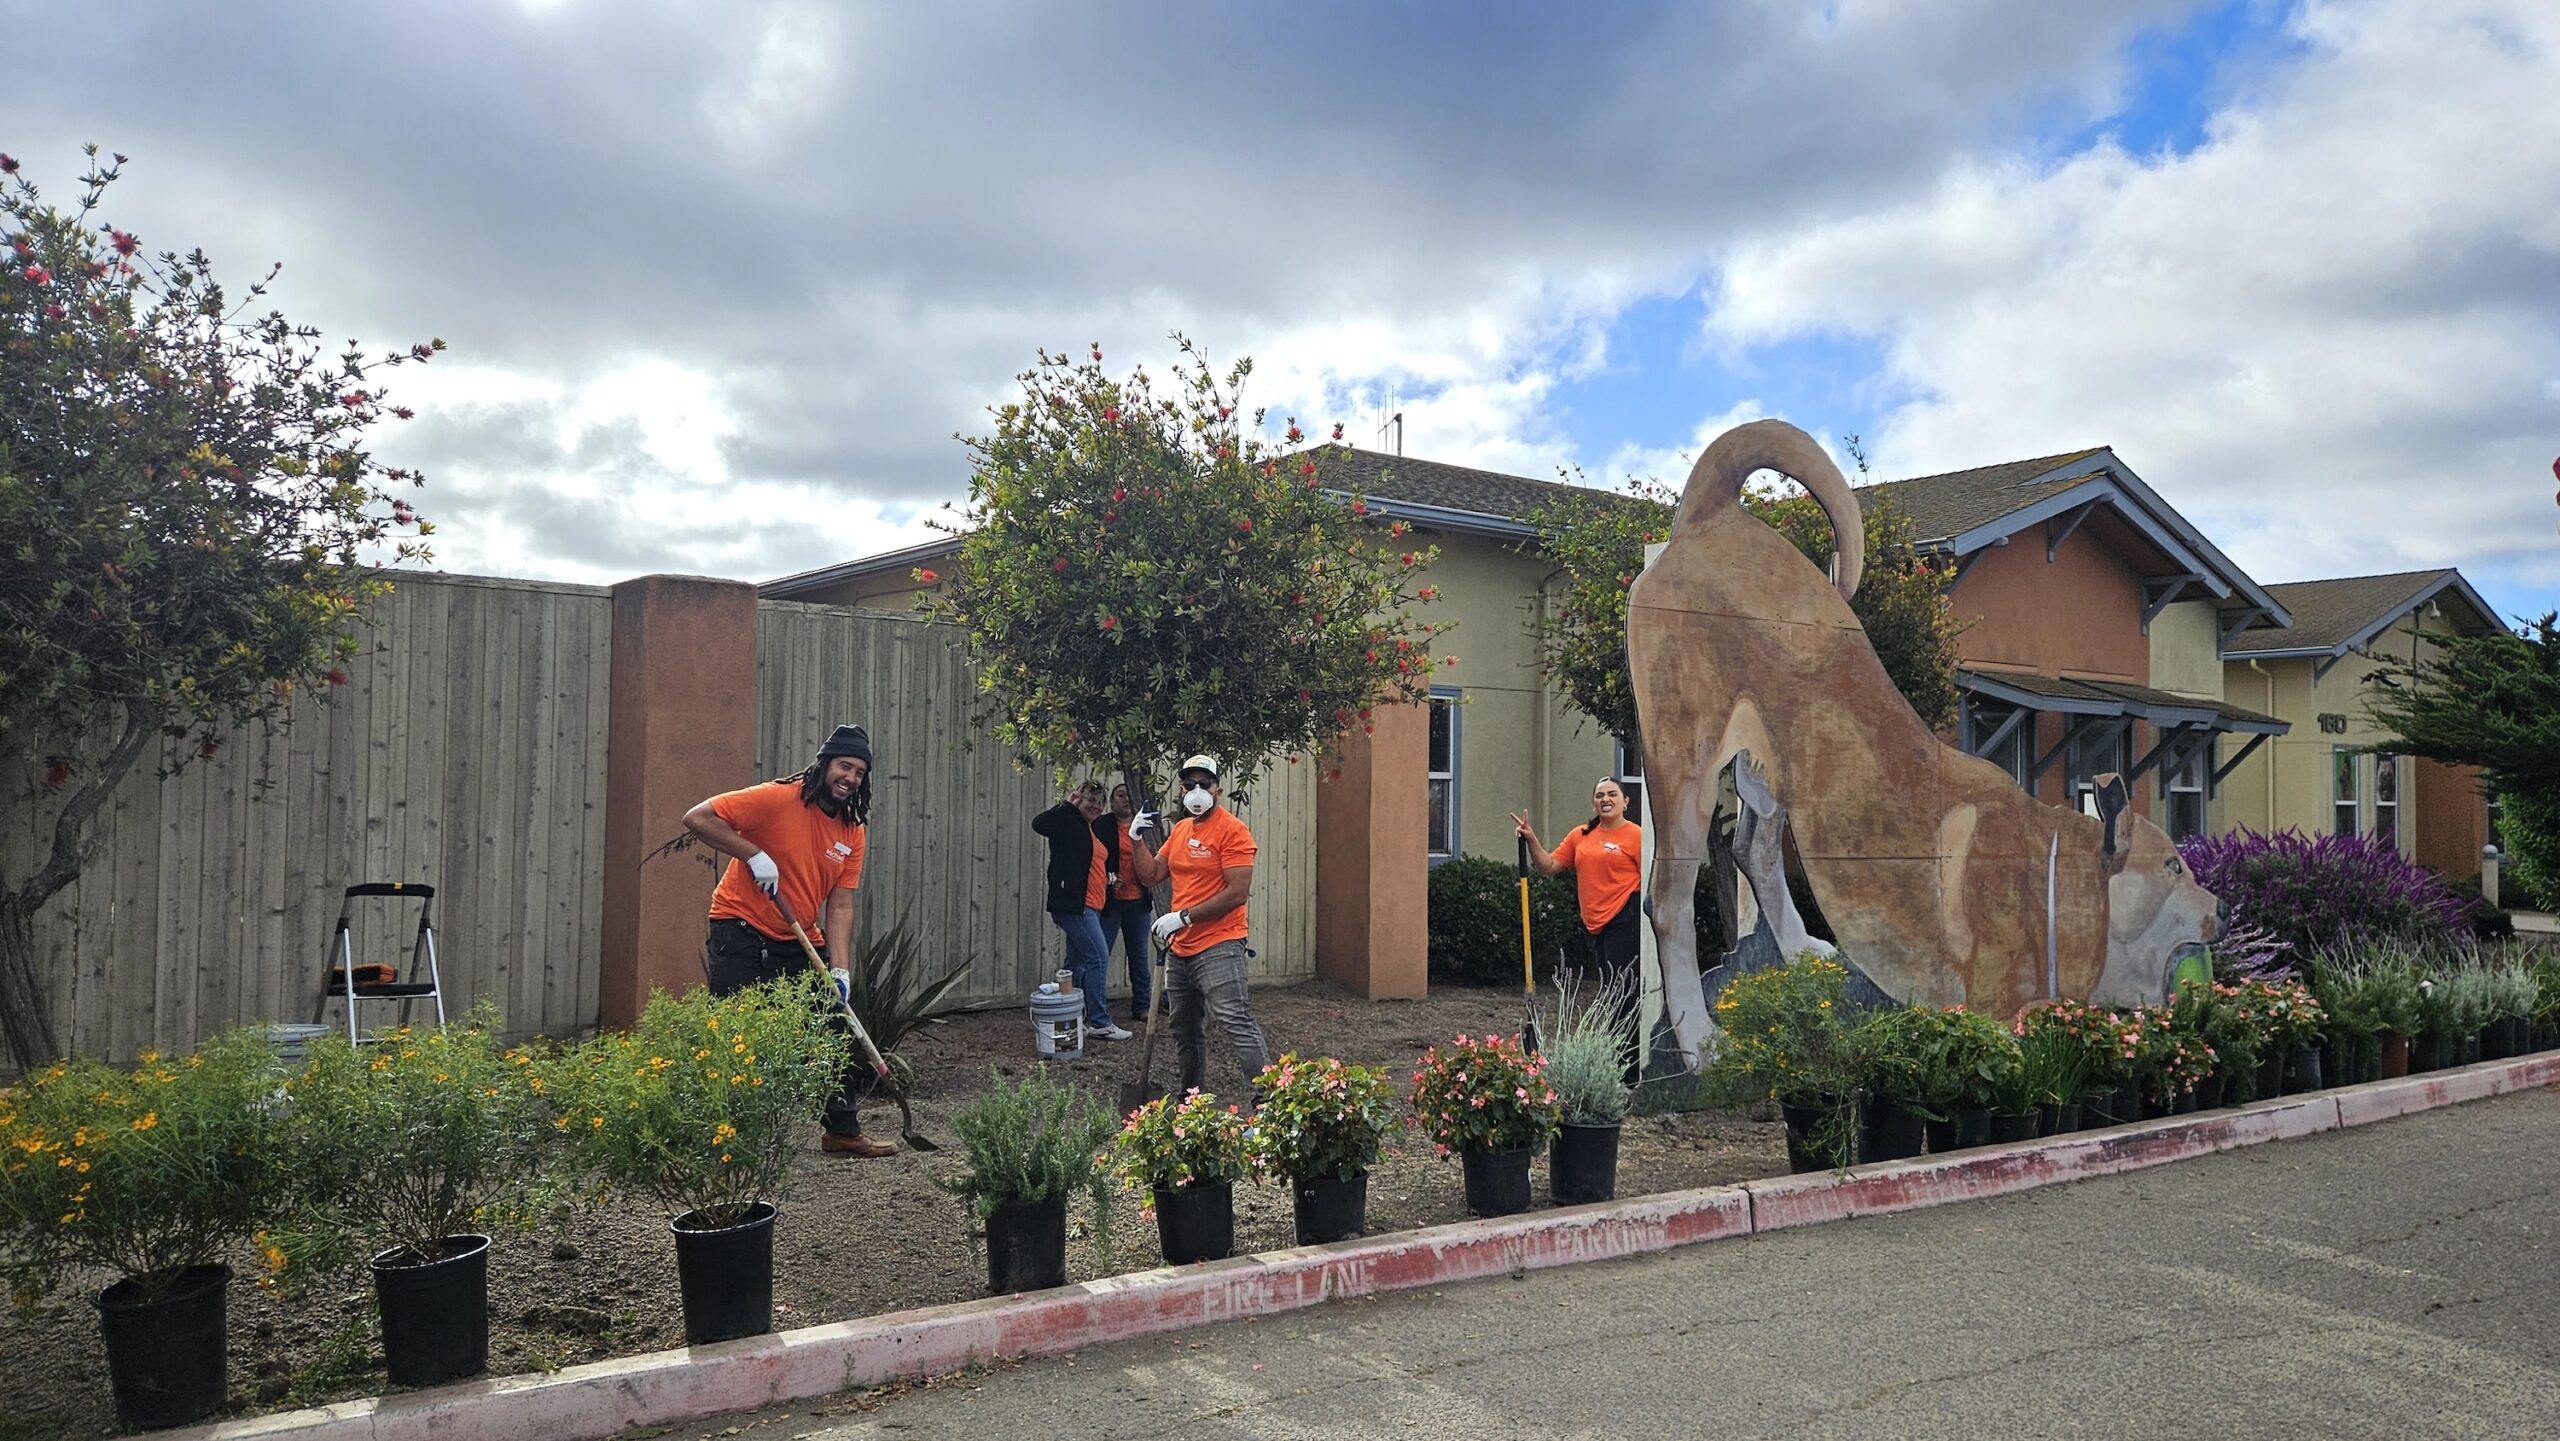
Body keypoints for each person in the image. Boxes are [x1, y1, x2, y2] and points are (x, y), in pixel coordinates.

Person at [682, 723, 897, 1157]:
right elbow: (697, 818)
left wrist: (840, 969)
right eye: (844, 766)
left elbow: (839, 905)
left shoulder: (852, 830)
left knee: (831, 1029)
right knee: (735, 1033)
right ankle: (722, 1140)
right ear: (825, 765)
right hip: (740, 928)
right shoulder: (777, 799)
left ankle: (841, 1132)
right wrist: (752, 853)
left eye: (859, 772)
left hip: (798, 938)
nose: (851, 777)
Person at [1127, 754, 1271, 1094]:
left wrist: (1184, 916)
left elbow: (1237, 893)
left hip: (1220, 943)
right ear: (1180, 790)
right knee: (1184, 1029)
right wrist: (1134, 839)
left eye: (1203, 785)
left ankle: (1269, 1105)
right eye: (1189, 785)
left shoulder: (1232, 831)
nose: (1196, 792)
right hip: (1181, 949)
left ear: (1217, 789)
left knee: (1234, 1020)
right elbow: (1151, 875)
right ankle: (1192, 1104)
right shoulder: (1179, 831)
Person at [1513, 778, 1644, 1073]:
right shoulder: (1581, 835)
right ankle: (1616, 1061)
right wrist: (1531, 839)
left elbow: (1652, 878)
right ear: (1594, 803)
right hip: (1598, 924)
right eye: (1600, 795)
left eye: (1613, 794)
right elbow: (1549, 867)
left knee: (1621, 993)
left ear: (1626, 802)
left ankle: (1627, 1068)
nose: (1606, 799)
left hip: (1627, 917)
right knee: (1612, 991)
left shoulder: (1636, 836)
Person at [1032, 781, 1135, 1041]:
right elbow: (1039, 824)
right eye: (1091, 800)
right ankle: (1099, 1021)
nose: (1096, 806)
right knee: (1098, 958)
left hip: (1092, 906)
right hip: (1076, 907)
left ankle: (1070, 1017)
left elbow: (1087, 865)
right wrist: (1068, 804)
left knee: (1075, 963)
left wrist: (1109, 880)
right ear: (1079, 800)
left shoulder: (1089, 829)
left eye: (1100, 802)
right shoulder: (1067, 822)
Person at [1096, 783, 1155, 1024]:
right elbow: (1094, 858)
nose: (1126, 799)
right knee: (1100, 955)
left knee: (1139, 956)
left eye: (1129, 795)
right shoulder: (1101, 825)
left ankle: (1142, 1006)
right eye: (1120, 795)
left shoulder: (1145, 826)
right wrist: (1109, 878)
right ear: (1111, 802)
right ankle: (1094, 1006)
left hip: (1138, 901)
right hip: (1110, 903)